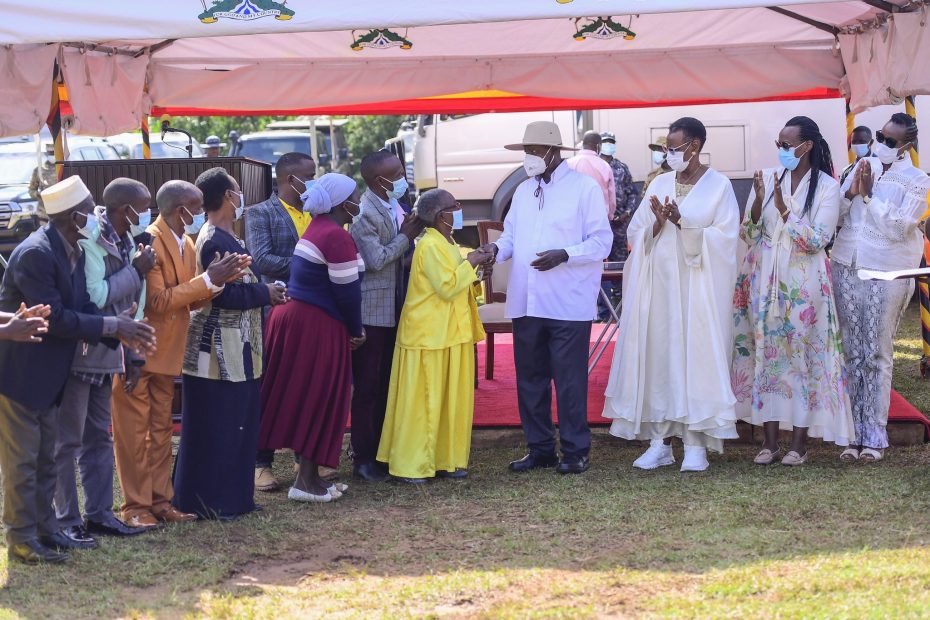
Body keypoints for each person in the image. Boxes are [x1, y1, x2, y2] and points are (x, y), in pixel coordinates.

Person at [0, 176, 156, 564]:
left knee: (44, 459)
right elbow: (55, 319)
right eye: (90, 206)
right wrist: (112, 327)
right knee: (24, 462)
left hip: (51, 372)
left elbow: (83, 306)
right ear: (75, 216)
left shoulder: (68, 248)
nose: (96, 213)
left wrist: (122, 336)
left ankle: (47, 530)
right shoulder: (37, 253)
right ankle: (21, 538)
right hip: (21, 374)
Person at [602, 117, 740, 472]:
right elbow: (636, 231)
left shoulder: (718, 186)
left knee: (695, 357)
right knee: (660, 356)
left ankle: (696, 444)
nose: (668, 154)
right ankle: (659, 442)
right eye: (666, 148)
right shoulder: (660, 182)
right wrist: (658, 225)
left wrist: (685, 223)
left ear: (694, 146)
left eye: (674, 147)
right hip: (659, 286)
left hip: (697, 288)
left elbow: (726, 238)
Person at [111, 179, 248, 528]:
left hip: (169, 352)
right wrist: (206, 281)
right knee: (133, 434)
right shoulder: (150, 241)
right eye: (196, 205)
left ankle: (161, 501)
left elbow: (192, 299)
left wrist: (219, 281)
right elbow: (158, 302)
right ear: (178, 209)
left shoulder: (186, 242)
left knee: (160, 431)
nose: (201, 211)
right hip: (138, 351)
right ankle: (134, 507)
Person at [480, 121, 611, 475]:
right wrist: (494, 249)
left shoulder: (584, 189)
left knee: (569, 380)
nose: (530, 157)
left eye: (536, 151)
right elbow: (510, 237)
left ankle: (575, 451)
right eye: (527, 151)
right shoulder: (524, 191)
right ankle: (540, 449)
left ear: (554, 152)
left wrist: (565, 254)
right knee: (530, 380)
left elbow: (602, 242)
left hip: (567, 301)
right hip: (526, 300)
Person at [731, 117, 854, 466]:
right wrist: (757, 203)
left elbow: (817, 240)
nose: (781, 150)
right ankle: (769, 442)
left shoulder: (828, 187)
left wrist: (785, 210)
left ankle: (799, 442)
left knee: (801, 358)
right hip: (764, 277)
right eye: (778, 144)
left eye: (787, 145)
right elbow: (749, 233)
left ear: (807, 146)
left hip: (803, 283)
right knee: (768, 357)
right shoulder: (770, 178)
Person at [172, 168, 284, 520]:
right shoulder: (212, 240)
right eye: (237, 191)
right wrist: (264, 292)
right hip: (216, 353)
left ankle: (236, 499)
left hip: (240, 349)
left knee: (240, 425)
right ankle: (209, 502)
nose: (241, 197)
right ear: (226, 197)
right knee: (217, 427)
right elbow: (219, 294)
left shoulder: (228, 236)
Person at [53, 178, 155, 547]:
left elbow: (130, 306)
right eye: (141, 209)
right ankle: (67, 519)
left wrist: (133, 355)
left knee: (98, 437)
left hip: (109, 350)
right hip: (82, 352)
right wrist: (137, 271)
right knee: (68, 442)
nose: (145, 216)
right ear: (123, 208)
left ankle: (99, 514)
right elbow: (96, 298)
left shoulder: (125, 240)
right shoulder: (90, 240)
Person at [259, 173, 366, 502]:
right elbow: (347, 294)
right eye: (355, 196)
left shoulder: (320, 228)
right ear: (341, 203)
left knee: (313, 396)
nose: (359, 202)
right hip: (315, 324)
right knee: (318, 397)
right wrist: (355, 329)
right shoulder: (335, 236)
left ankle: (312, 479)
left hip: (302, 318)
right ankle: (305, 483)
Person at [832, 113, 930, 463]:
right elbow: (835, 216)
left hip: (888, 269)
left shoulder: (917, 181)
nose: (881, 145)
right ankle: (851, 433)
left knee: (876, 351)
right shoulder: (856, 167)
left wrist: (871, 196)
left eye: (890, 141)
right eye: (880, 137)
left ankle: (873, 435)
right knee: (851, 350)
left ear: (906, 146)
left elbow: (900, 227)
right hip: (846, 264)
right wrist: (851, 192)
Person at [377, 190, 489, 483]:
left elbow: (457, 279)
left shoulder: (446, 241)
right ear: (441, 216)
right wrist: (473, 260)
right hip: (427, 335)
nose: (459, 209)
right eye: (455, 206)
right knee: (422, 404)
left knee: (450, 402)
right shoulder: (428, 245)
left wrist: (476, 270)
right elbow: (447, 286)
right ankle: (411, 465)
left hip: (450, 332)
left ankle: (445, 460)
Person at [349, 151, 425, 482]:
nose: (402, 178)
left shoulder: (395, 205)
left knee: (386, 384)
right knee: (367, 386)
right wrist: (406, 237)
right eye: (395, 174)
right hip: (372, 310)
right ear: (379, 181)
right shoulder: (366, 213)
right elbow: (377, 259)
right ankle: (363, 456)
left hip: (396, 305)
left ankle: (384, 449)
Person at [245, 151, 317, 492]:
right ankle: (261, 462)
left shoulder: (317, 211)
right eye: (311, 175)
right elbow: (262, 260)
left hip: (314, 312)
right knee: (270, 386)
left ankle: (305, 458)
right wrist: (313, 261)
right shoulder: (260, 213)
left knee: (305, 385)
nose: (315, 181)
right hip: (275, 312)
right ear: (291, 180)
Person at [599, 131, 640, 262]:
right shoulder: (595, 165)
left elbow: (632, 193)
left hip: (619, 223)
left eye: (611, 142)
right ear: (599, 145)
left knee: (620, 261)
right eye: (605, 142)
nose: (608, 145)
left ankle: (619, 284)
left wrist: (626, 214)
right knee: (597, 259)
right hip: (598, 221)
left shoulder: (621, 168)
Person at [567, 130, 617, 218]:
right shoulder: (605, 166)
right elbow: (611, 197)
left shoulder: (568, 164)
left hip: (573, 217)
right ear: (598, 146)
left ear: (583, 144)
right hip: (598, 217)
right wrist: (610, 215)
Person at [28, 144, 57, 222]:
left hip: (61, 212)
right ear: (47, 154)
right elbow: (31, 190)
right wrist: (38, 195)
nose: (52, 155)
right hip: (44, 214)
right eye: (50, 153)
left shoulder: (64, 169)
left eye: (54, 153)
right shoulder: (39, 170)